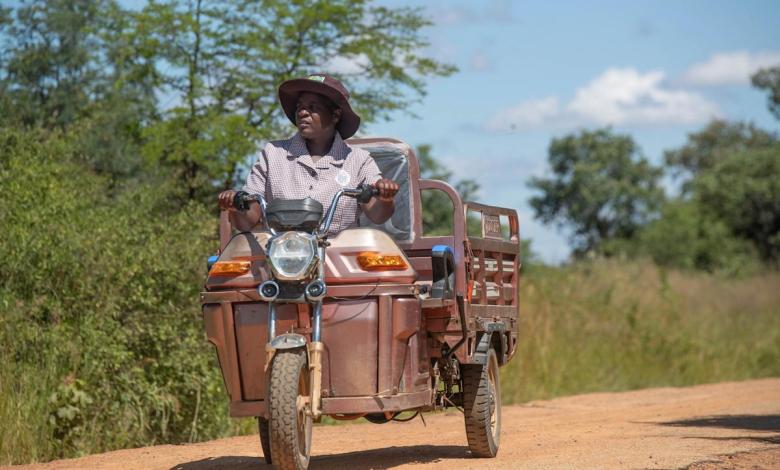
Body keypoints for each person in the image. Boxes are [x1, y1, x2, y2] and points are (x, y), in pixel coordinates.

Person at [218, 73, 399, 234]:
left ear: (335, 115)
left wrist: (385, 198)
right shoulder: (273, 154)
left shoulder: (358, 160)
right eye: (300, 107)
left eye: (313, 107)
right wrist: (235, 206)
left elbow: (377, 215)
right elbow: (249, 218)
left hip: (337, 256)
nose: (303, 112)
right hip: (279, 255)